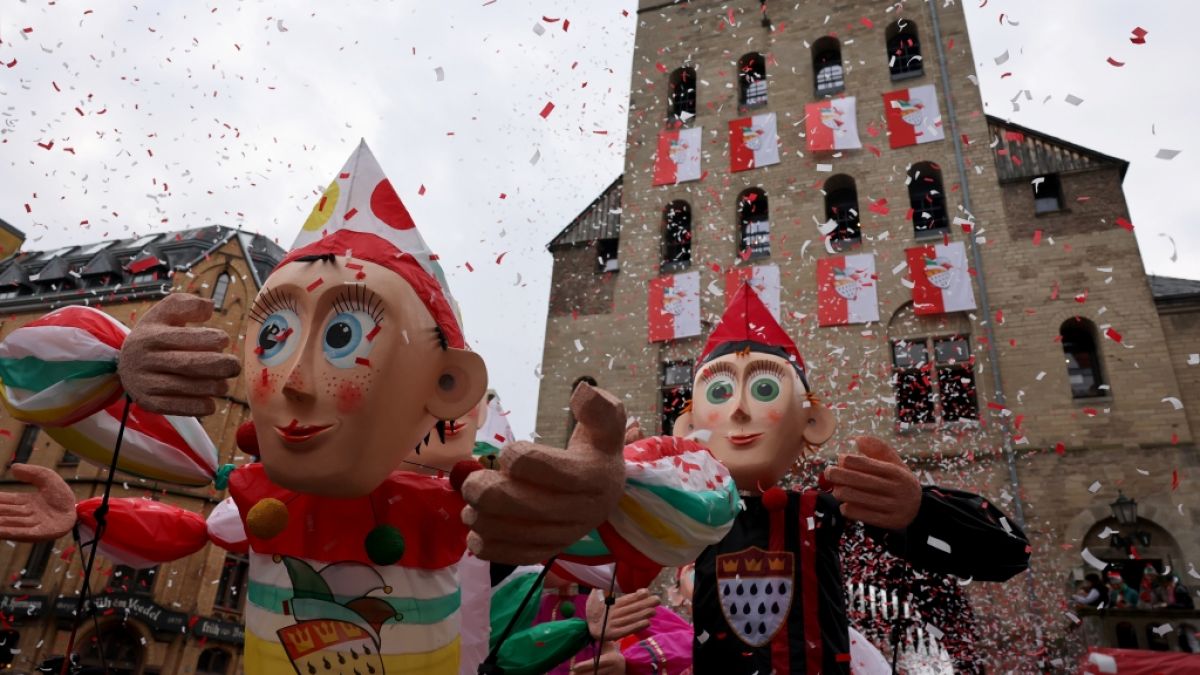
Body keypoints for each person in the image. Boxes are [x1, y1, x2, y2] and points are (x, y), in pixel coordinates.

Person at [0, 142, 738, 675]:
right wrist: (88, 515)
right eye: (274, 334)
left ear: (447, 386)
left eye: (344, 335)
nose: (293, 380)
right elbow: (188, 526)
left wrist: (608, 488)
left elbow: (697, 502)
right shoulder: (262, 499)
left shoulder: (476, 503)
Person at [670, 283, 1031, 674]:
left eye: (764, 388)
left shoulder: (828, 512)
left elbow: (1010, 554)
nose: (739, 409)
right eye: (719, 391)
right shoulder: (687, 517)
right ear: (688, 428)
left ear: (812, 422)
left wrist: (922, 512)